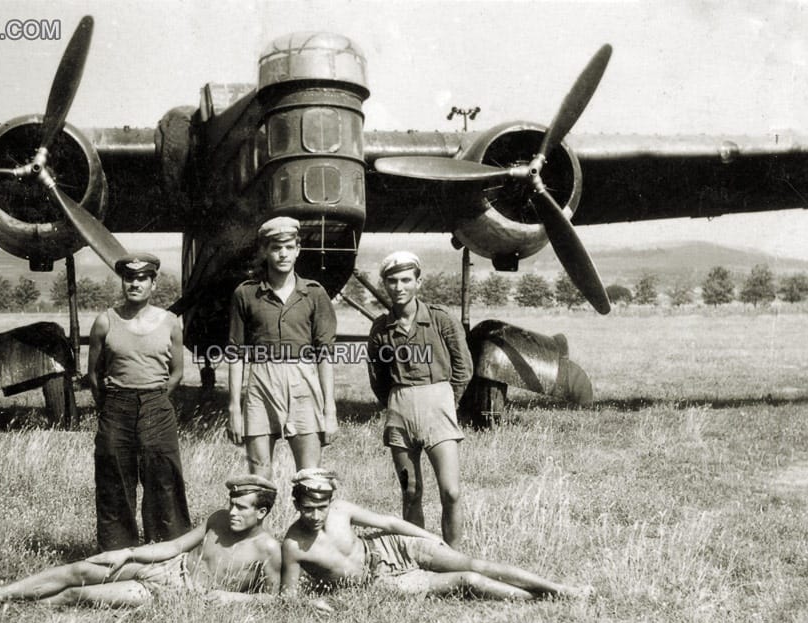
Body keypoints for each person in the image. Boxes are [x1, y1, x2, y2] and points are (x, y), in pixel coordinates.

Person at [0, 475, 281, 607]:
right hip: (168, 567)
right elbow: (174, 547)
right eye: (232, 504)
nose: (233, 511)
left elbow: (276, 599)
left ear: (262, 511)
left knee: (78, 594)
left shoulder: (268, 549)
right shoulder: (218, 519)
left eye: (242, 507)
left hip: (180, 595)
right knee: (80, 569)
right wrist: (127, 553)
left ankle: (25, 608)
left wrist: (234, 599)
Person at [280, 470, 590, 601]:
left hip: (392, 547)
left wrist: (430, 537)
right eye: (308, 508)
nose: (316, 515)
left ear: (330, 502)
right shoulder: (294, 545)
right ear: (296, 504)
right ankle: (536, 599)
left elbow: (389, 523)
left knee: (474, 564)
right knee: (467, 580)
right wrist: (315, 602)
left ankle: (560, 589)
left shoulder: (340, 510)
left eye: (321, 507)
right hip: (379, 582)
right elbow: (288, 597)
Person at [367, 251, 473, 547]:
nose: (399, 287)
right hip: (400, 409)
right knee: (410, 490)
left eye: (405, 280)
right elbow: (377, 375)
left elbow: (463, 367)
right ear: (385, 285)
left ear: (418, 282)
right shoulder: (381, 328)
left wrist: (448, 402)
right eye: (392, 281)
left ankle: (454, 556)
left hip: (438, 405)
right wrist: (395, 402)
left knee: (450, 491)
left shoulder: (441, 320)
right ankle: (418, 554)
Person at [87, 254, 191, 551]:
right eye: (129, 278)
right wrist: (110, 406)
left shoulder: (170, 322)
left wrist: (154, 400)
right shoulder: (105, 321)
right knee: (114, 482)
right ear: (122, 282)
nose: (135, 283)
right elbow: (94, 374)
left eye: (142, 278)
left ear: (153, 283)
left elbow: (177, 373)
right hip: (116, 407)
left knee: (163, 480)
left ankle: (167, 552)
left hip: (156, 405)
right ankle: (117, 554)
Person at [226, 216, 338, 477]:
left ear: (298, 249)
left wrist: (330, 410)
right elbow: (235, 354)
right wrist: (234, 408)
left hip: (304, 382)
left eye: (289, 247)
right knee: (258, 480)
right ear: (265, 250)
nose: (283, 254)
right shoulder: (246, 293)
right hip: (261, 383)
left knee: (310, 479)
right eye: (276, 247)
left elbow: (324, 355)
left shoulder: (314, 293)